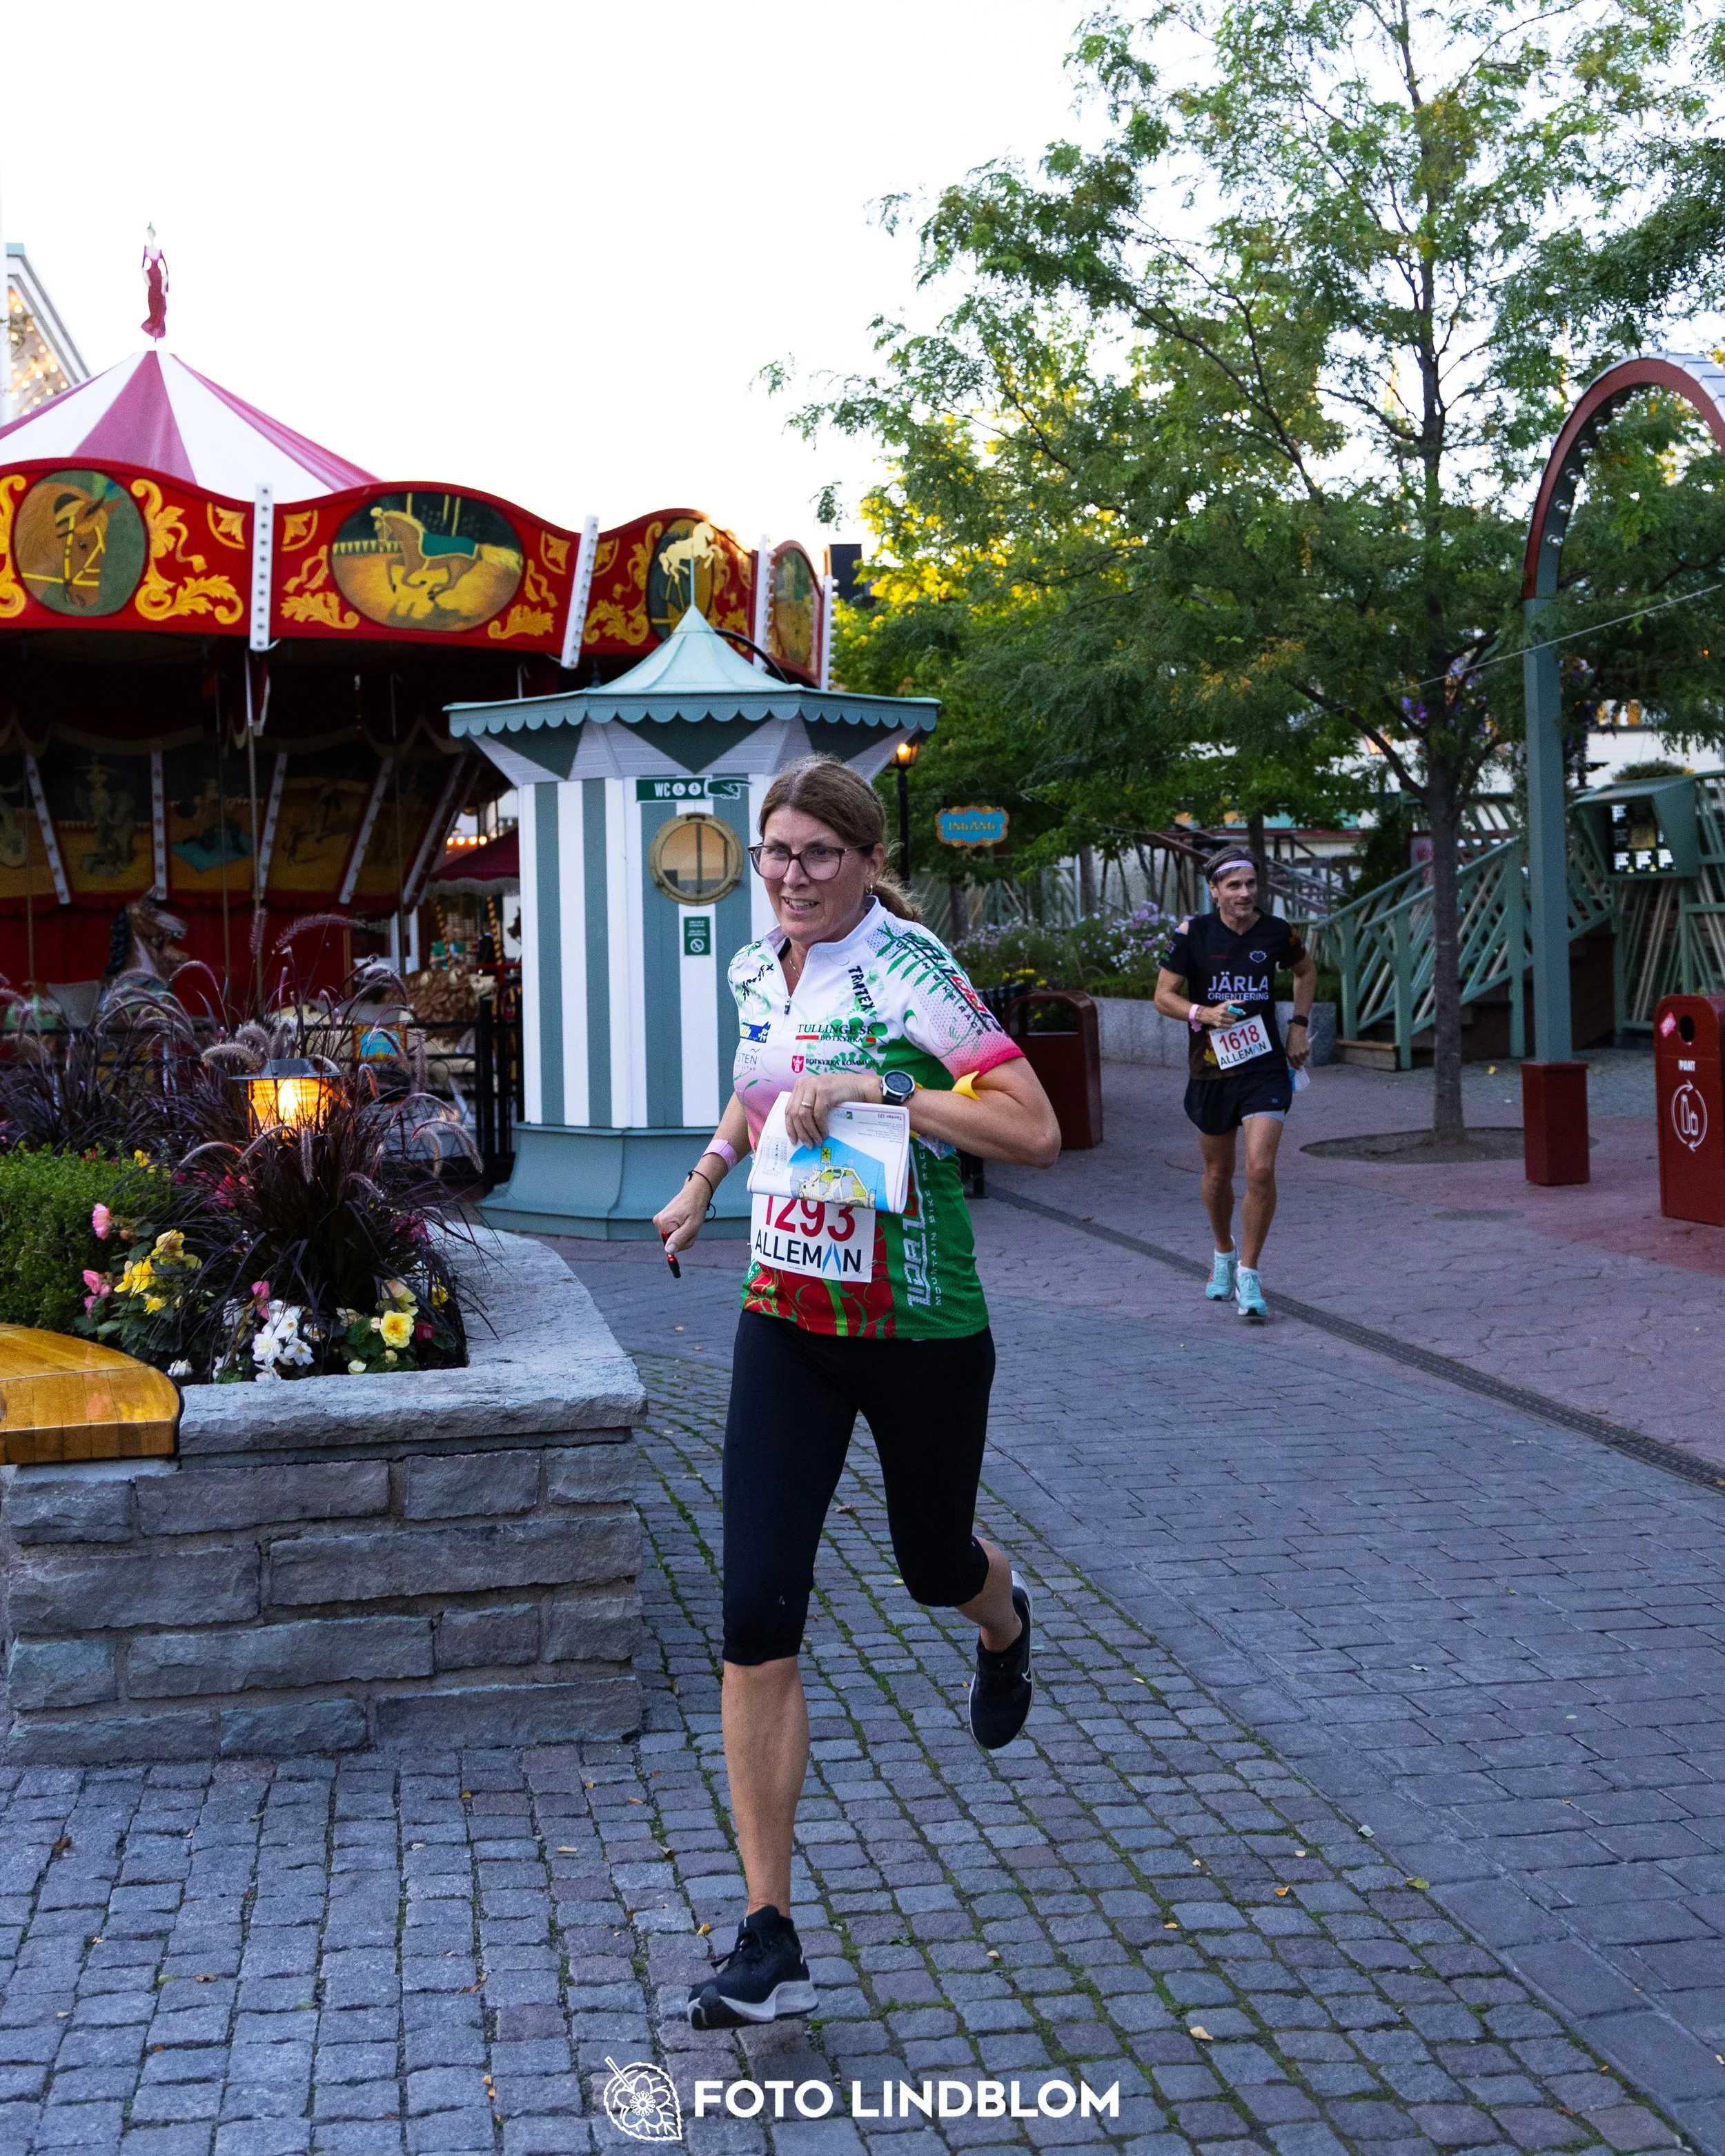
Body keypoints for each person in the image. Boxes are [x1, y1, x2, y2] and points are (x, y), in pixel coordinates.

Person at [653, 753, 1061, 2031]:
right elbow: (759, 1089)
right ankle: (769, 1933)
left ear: (870, 862)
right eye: (777, 851)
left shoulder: (909, 966)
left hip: (918, 1327)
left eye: (820, 853)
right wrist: (707, 1180)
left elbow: (1034, 1128)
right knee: (754, 1612)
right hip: (786, 1317)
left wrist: (887, 1090)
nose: (794, 874)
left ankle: (1002, 1621)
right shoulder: (752, 964)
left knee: (933, 1564)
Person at [1154, 850, 1315, 1321]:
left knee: (1260, 1169)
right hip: (1211, 1069)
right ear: (1214, 890)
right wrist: (1203, 1013)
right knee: (1218, 1173)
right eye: (1234, 886)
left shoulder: (1277, 931)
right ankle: (1223, 1252)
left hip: (1265, 1066)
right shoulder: (1193, 933)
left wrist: (1299, 1026)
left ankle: (1249, 1271)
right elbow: (1163, 995)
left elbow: (1305, 971)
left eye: (1251, 884)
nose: (1245, 893)